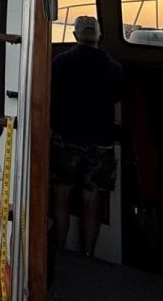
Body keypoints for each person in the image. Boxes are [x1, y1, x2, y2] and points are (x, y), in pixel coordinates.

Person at [49, 14, 123, 258]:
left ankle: (60, 249)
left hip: (65, 137)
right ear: (99, 36)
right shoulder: (114, 68)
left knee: (62, 192)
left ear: (74, 36)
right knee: (92, 197)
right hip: (100, 142)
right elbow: (118, 102)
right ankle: (88, 255)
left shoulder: (60, 62)